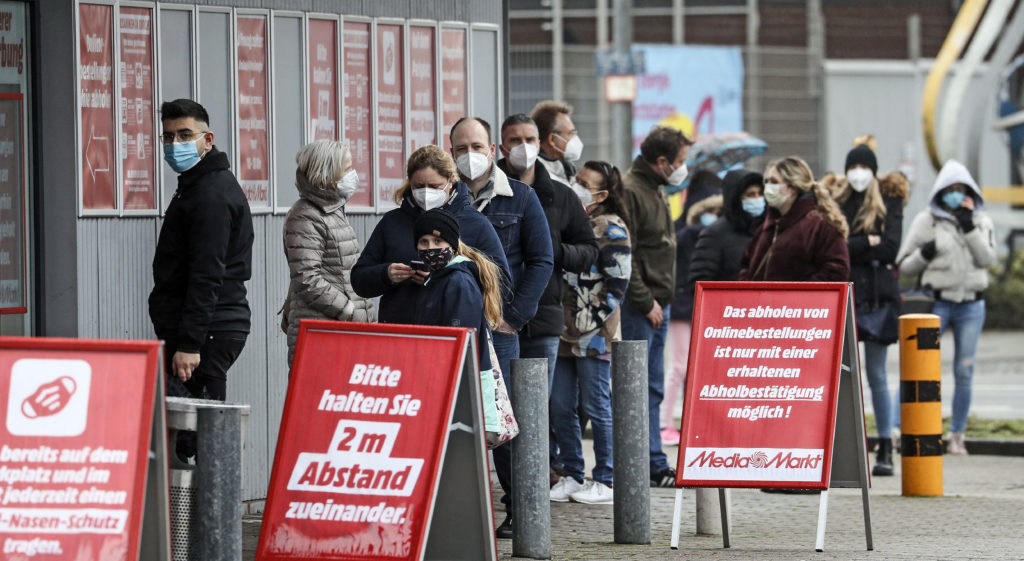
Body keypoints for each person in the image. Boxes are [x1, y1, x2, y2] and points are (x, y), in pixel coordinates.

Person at [451, 116, 553, 539]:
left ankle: (517, 509)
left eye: (477, 146)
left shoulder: (522, 198)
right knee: (454, 419)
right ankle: (456, 509)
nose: (469, 155)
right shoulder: (441, 197)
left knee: (503, 423)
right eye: (461, 148)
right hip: (453, 324)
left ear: (492, 150)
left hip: (499, 330)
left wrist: (514, 317)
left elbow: (542, 260)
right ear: (449, 150)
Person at [497, 112, 598, 533]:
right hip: (497, 322)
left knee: (534, 417)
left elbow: (589, 248)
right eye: (514, 139)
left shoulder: (560, 194)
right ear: (501, 146)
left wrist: (555, 253)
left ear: (541, 142)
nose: (523, 146)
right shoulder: (490, 191)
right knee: (503, 419)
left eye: (530, 138)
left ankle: (530, 503)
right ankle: (516, 502)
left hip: (543, 318)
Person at [150, 98, 253, 403]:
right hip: (203, 328)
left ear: (208, 140)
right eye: (167, 136)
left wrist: (191, 344)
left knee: (204, 433)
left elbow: (207, 274)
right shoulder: (197, 186)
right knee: (188, 432)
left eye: (184, 135)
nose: (174, 143)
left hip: (206, 332)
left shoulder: (210, 195)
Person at [895, 159, 996, 455]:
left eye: (959, 189)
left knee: (964, 370)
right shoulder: (926, 221)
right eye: (948, 189)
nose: (954, 194)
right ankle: (908, 429)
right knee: (921, 369)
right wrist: (925, 254)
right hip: (937, 303)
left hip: (971, 306)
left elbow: (988, 260)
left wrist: (969, 228)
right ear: (940, 192)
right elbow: (904, 265)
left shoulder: (981, 221)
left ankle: (957, 435)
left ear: (969, 192)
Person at [548, 160, 632, 505]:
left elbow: (618, 285)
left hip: (595, 334)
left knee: (597, 405)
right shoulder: (576, 221)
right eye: (577, 180)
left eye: (586, 183)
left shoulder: (612, 229)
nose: (577, 186)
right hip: (564, 330)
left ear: (604, 193)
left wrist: (589, 319)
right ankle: (571, 473)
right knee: (560, 403)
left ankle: (606, 479)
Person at [351, 145, 511, 324]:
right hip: (399, 330)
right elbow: (359, 279)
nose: (426, 193)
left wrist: (443, 279)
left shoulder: (475, 223)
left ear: (450, 181)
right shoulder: (392, 222)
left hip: (451, 330)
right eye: (418, 186)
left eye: (434, 186)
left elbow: (501, 282)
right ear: (409, 182)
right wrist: (386, 274)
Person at [827, 143, 908, 475]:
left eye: (864, 166)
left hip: (877, 297)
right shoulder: (838, 200)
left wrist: (861, 245)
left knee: (876, 374)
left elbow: (890, 248)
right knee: (844, 376)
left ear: (874, 170)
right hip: (847, 294)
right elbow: (836, 246)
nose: (858, 172)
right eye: (853, 166)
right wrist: (868, 242)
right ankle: (844, 452)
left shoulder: (890, 200)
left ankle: (885, 448)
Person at [621, 125, 693, 487]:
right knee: (640, 386)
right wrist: (644, 299)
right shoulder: (633, 190)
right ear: (661, 161)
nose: (683, 168)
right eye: (680, 162)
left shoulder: (655, 188)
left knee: (651, 385)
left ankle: (652, 461)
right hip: (643, 307)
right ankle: (647, 462)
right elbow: (625, 254)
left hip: (656, 304)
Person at [282, 140, 376, 366]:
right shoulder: (306, 215)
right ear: (327, 174)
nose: (353, 174)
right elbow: (307, 278)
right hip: (323, 330)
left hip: (339, 328)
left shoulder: (332, 211)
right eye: (347, 169)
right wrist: (349, 311)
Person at [660, 171, 722, 447]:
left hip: (693, 304)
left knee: (689, 367)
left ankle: (684, 421)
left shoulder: (683, 228)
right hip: (686, 305)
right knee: (680, 366)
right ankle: (664, 424)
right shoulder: (687, 231)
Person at [739, 156, 850, 282]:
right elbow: (746, 265)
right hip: (762, 302)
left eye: (774, 182)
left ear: (793, 187)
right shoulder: (768, 225)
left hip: (799, 301)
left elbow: (836, 271)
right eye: (767, 181)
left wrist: (796, 295)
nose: (768, 187)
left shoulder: (820, 226)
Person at [531, 100, 582, 186]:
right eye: (570, 133)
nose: (575, 138)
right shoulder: (539, 177)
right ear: (552, 139)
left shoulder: (564, 170)